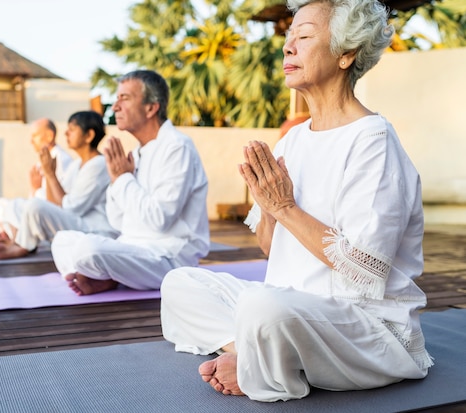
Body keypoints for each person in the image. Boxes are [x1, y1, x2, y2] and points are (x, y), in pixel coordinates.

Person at [160, 0, 433, 403]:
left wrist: (286, 207)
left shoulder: (373, 142)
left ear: (346, 54)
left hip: (361, 325)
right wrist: (269, 207)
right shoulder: (293, 139)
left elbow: (366, 271)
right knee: (181, 283)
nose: (288, 47)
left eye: (304, 37)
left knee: (263, 308)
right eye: (289, 38)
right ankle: (253, 352)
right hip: (288, 309)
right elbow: (271, 249)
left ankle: (259, 355)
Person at [51, 70, 209, 296]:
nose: (115, 107)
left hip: (169, 256)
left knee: (89, 250)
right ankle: (109, 276)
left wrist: (123, 178)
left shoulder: (177, 147)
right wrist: (117, 180)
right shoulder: (137, 153)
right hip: (132, 247)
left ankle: (106, 275)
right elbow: (118, 222)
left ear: (151, 107)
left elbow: (159, 220)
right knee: (62, 240)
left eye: (124, 98)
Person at [0, 111, 117, 260]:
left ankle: (22, 246)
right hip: (77, 221)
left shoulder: (99, 165)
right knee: (24, 205)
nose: (66, 133)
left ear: (89, 135)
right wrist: (50, 173)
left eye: (72, 129)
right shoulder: (77, 165)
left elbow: (72, 208)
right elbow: (54, 202)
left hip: (94, 229)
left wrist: (50, 175)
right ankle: (20, 241)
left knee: (35, 206)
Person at [0, 117, 73, 241]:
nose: (31, 141)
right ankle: (9, 237)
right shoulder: (44, 159)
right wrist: (35, 190)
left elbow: (58, 202)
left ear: (49, 136)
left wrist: (36, 190)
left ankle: (15, 241)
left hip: (51, 215)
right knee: (0, 205)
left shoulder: (62, 160)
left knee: (14, 206)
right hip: (38, 208)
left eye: (34, 136)